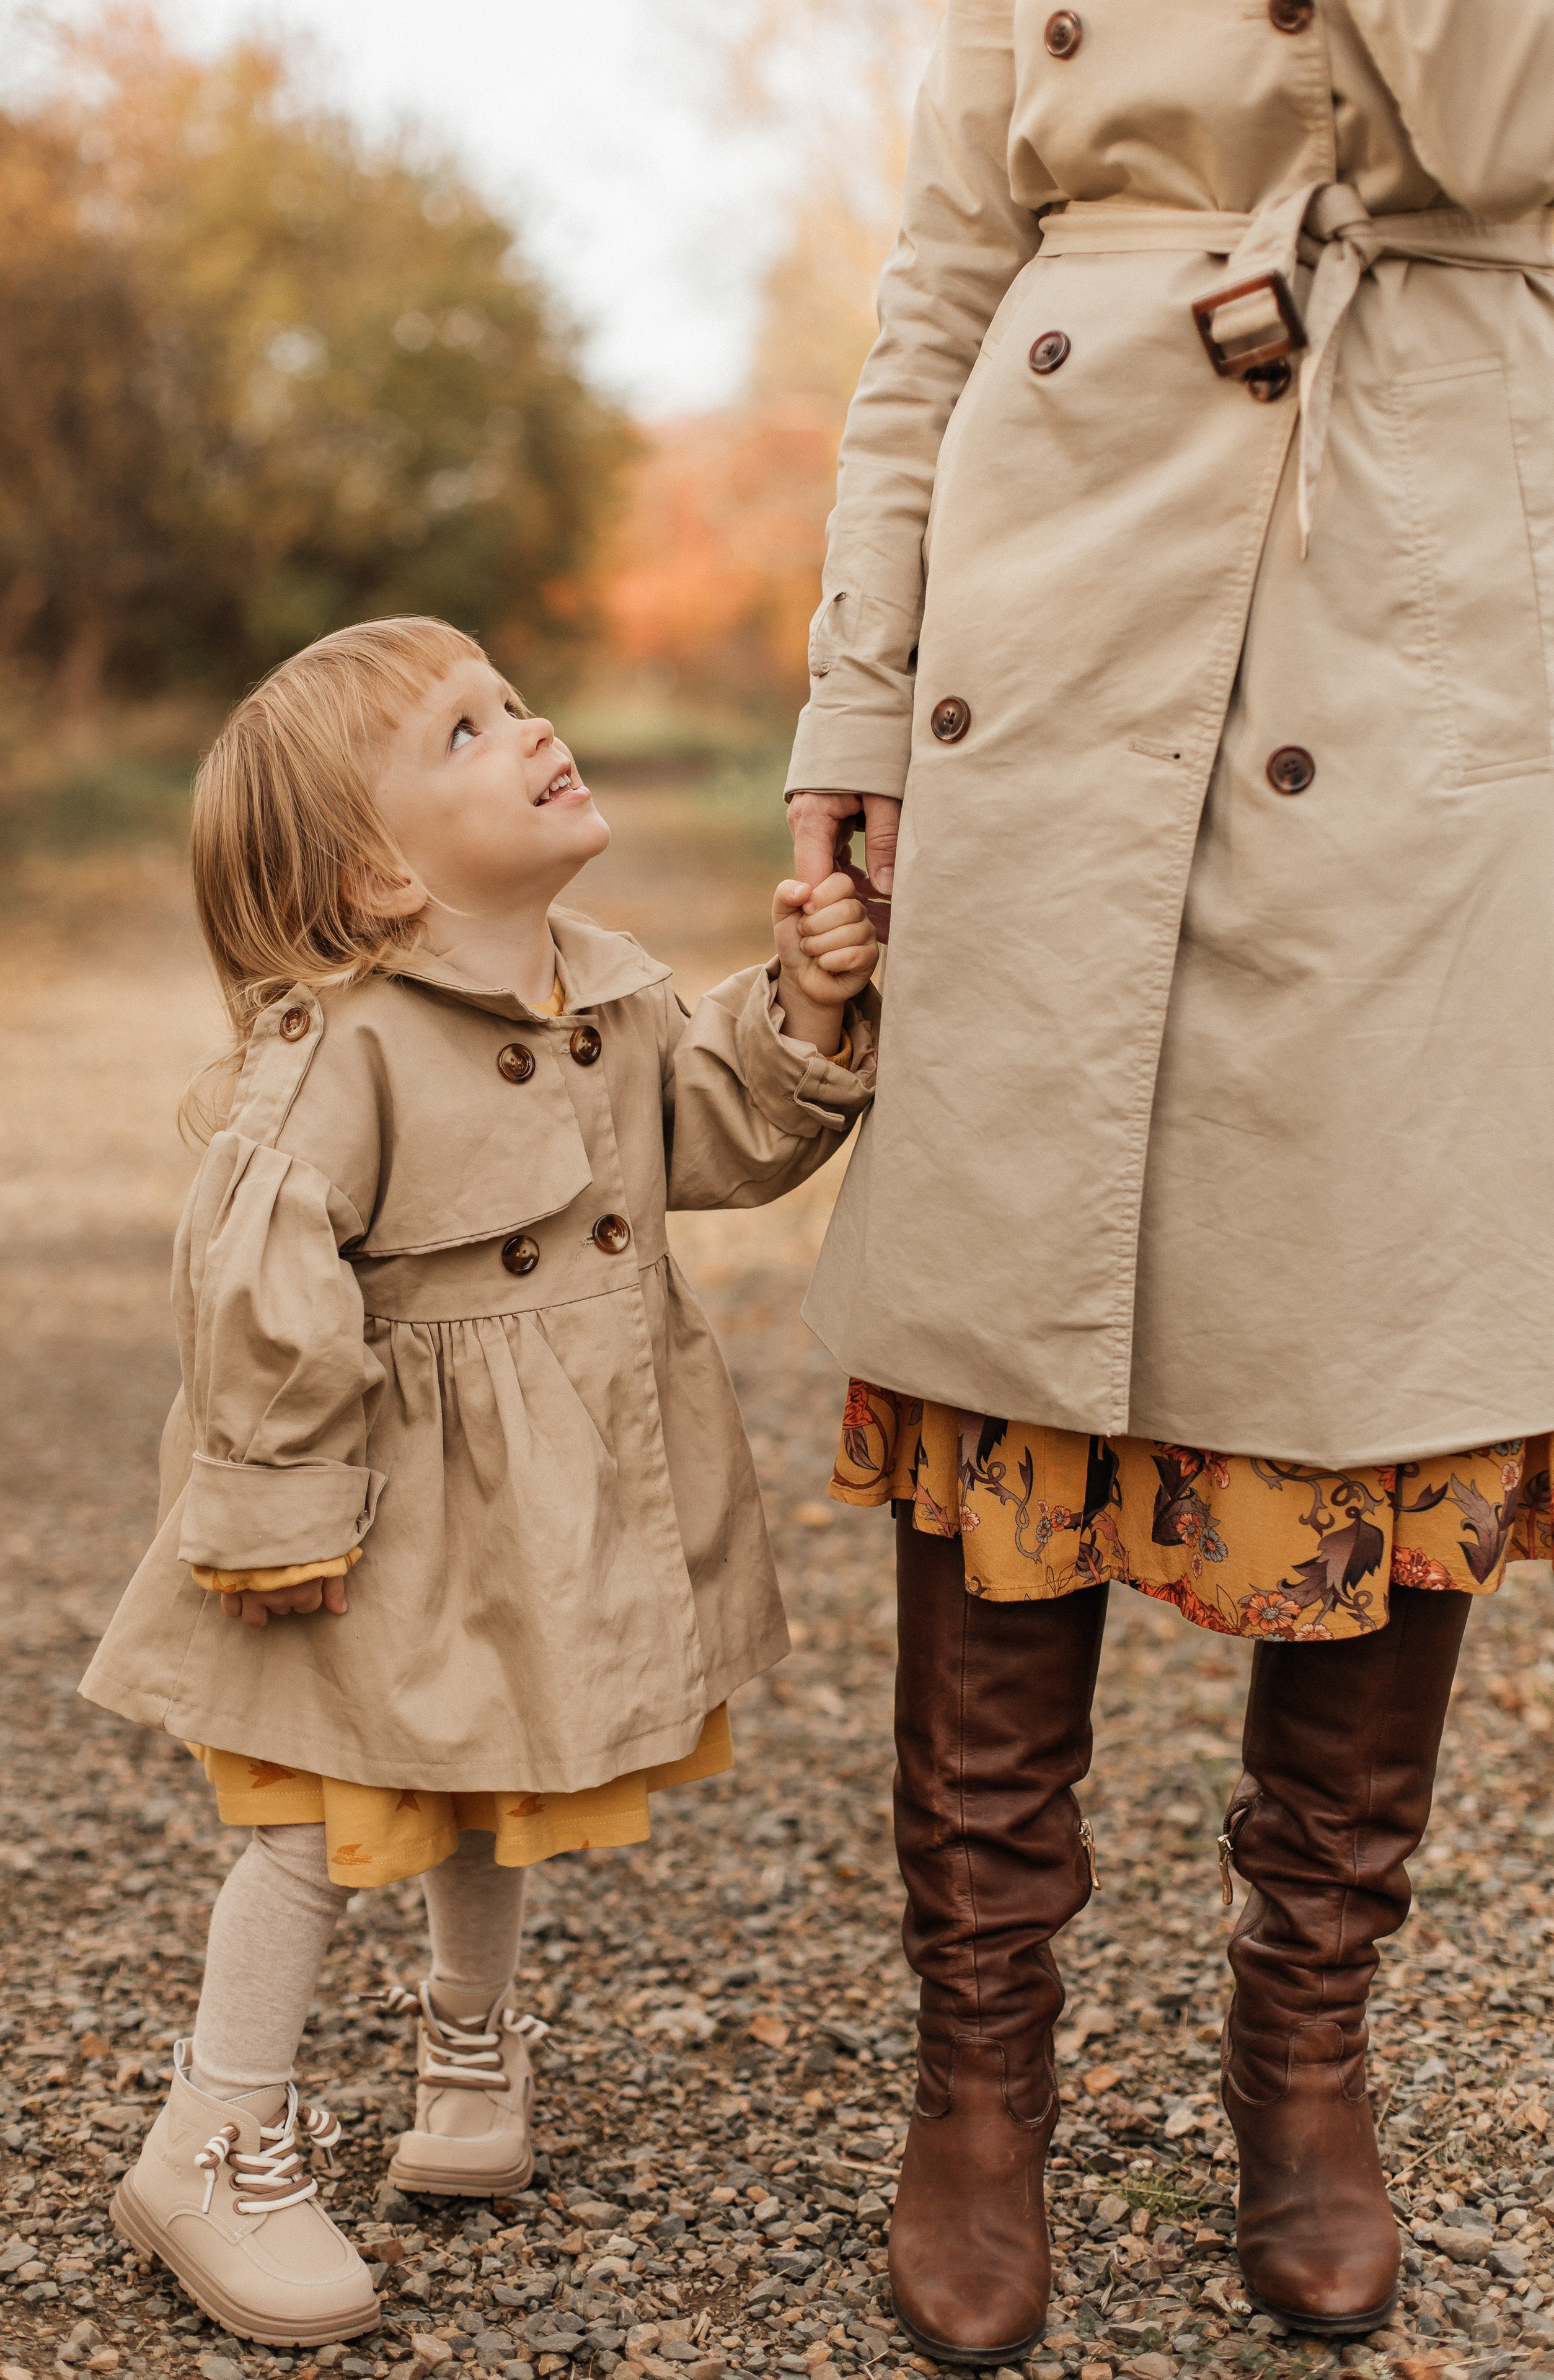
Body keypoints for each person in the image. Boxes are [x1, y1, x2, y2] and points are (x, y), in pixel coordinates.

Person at [785, 0, 1554, 2364]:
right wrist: (850, 694)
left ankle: (1303, 2055)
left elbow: (1511, 128)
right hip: (1057, 577)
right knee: (1012, 1305)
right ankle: (980, 2073)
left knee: (1389, 1307)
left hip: (1423, 576)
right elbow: (937, 282)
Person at [80, 615, 879, 2348]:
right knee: (312, 1810)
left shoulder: (603, 989)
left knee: (493, 1755)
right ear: (373, 879)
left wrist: (809, 1002)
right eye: (461, 733)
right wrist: (281, 1518)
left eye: (513, 699)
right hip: (369, 1512)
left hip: (534, 1507)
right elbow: (259, 1287)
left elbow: (714, 1130)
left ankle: (465, 2052)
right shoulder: (345, 1051)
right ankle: (214, 2130)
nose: (529, 729)